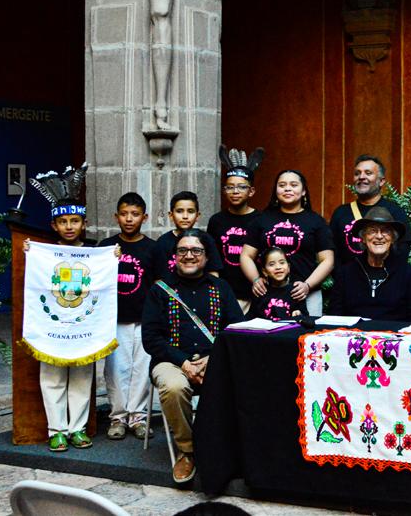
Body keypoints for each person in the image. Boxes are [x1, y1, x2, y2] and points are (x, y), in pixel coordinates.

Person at [142, 229, 244, 484]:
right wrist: (184, 363)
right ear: (175, 256)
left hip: (215, 359)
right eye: (182, 250)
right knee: (174, 386)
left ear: (207, 257)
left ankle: (227, 448)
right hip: (171, 362)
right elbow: (151, 339)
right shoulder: (160, 290)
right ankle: (188, 451)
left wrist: (213, 359)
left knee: (244, 379)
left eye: (196, 250)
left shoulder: (221, 288)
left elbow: (236, 330)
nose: (189, 255)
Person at [26, 163, 112, 452]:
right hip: (52, 327)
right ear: (54, 226)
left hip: (83, 327)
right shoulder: (43, 254)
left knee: (82, 377)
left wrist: (111, 259)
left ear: (83, 224)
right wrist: (30, 254)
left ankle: (77, 428)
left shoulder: (95, 255)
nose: (69, 226)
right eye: (63, 222)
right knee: (52, 377)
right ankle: (57, 430)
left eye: (75, 221)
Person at [99, 192, 156, 440]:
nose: (129, 219)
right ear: (116, 217)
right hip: (114, 320)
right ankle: (118, 417)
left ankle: (138, 417)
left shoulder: (153, 248)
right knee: (116, 370)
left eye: (135, 214)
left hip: (144, 319)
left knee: (142, 370)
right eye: (124, 214)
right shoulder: (105, 247)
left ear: (145, 217)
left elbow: (159, 285)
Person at [241, 170, 335, 316]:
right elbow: (246, 255)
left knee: (307, 331)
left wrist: (307, 285)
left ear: (303, 191)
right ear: (276, 190)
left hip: (306, 294)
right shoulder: (262, 220)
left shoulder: (316, 221)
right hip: (269, 294)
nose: (287, 189)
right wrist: (256, 279)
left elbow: (327, 260)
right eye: (282, 185)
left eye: (294, 185)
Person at [330, 207, 411, 321]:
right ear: (363, 238)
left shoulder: (409, 274)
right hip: (355, 332)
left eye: (385, 231)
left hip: (395, 332)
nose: (379, 236)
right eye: (372, 231)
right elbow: (334, 317)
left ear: (393, 238)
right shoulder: (346, 273)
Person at [207, 145, 264, 316]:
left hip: (256, 292)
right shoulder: (216, 221)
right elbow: (212, 258)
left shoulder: (261, 220)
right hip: (226, 294)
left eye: (241, 187)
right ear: (224, 191)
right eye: (230, 187)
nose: (235, 191)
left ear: (251, 191)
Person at [329, 155, 411, 266]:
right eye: (357, 173)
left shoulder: (395, 212)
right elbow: (333, 254)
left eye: (368, 173)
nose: (361, 177)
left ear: (381, 181)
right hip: (348, 276)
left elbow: (402, 252)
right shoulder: (341, 213)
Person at [153, 191, 223, 280]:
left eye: (190, 211)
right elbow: (159, 279)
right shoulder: (163, 242)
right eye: (179, 211)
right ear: (171, 215)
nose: (185, 216)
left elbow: (213, 274)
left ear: (197, 215)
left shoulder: (206, 240)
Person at [250, 247, 308, 321]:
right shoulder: (261, 291)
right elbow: (252, 318)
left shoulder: (296, 290)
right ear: (264, 271)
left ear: (288, 268)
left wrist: (299, 314)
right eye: (272, 264)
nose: (278, 267)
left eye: (282, 263)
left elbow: (306, 318)